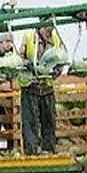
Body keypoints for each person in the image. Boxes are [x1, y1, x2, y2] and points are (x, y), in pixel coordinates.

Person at [20, 22, 63, 155]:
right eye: (47, 31)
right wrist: (28, 65)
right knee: (30, 122)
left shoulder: (56, 39)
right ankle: (31, 152)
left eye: (51, 31)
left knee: (49, 120)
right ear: (41, 28)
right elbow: (19, 57)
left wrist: (58, 70)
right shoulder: (28, 37)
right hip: (30, 86)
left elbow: (61, 57)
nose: (49, 34)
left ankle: (49, 150)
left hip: (47, 86)